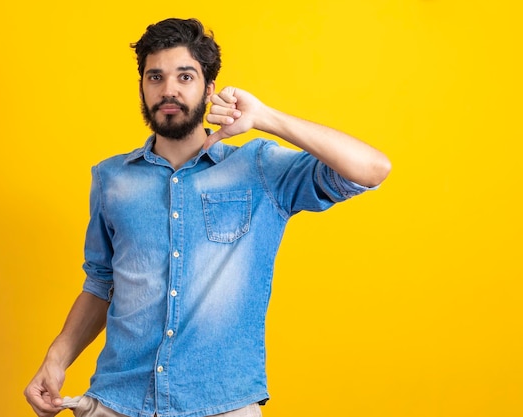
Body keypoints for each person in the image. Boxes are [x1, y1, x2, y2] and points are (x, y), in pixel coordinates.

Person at [24, 17, 391, 417]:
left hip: (222, 402)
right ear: (142, 87)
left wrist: (266, 117)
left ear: (208, 88)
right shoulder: (111, 177)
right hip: (118, 401)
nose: (168, 90)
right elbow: (100, 283)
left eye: (185, 76)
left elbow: (371, 169)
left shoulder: (260, 168)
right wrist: (56, 358)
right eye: (155, 77)